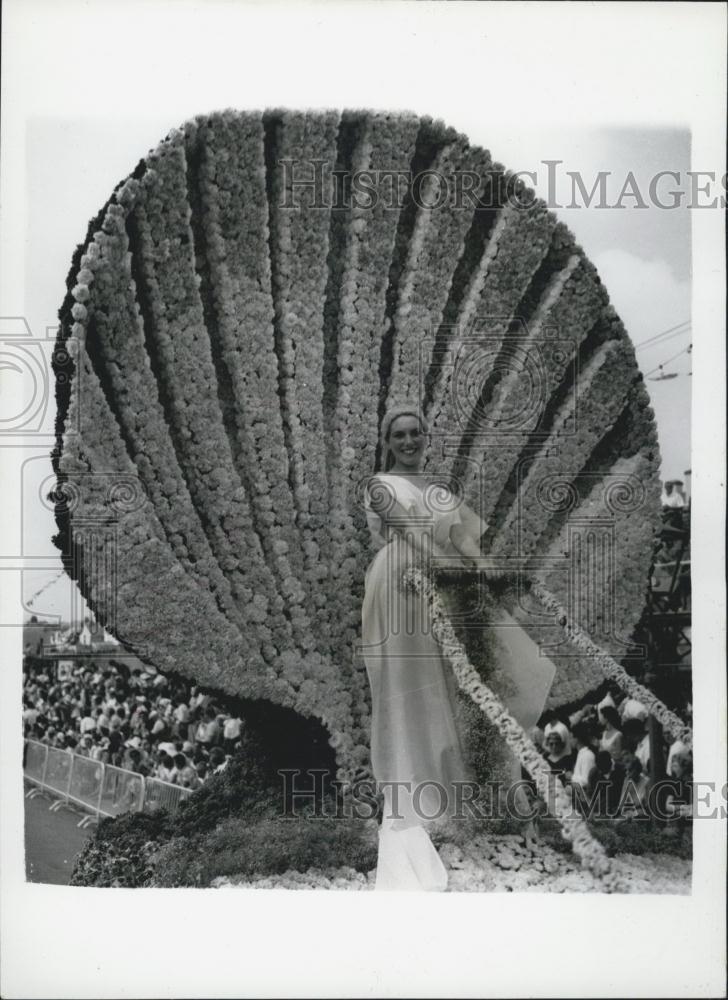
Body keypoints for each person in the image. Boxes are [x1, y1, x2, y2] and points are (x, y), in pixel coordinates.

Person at [361, 405, 555, 890]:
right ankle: (407, 804)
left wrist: (485, 569)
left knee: (445, 684)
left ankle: (437, 801)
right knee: (407, 686)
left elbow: (459, 540)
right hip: (402, 582)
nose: (409, 441)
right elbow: (409, 535)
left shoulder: (440, 488)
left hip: (441, 585)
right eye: (400, 435)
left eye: (416, 433)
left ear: (426, 436)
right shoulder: (380, 484)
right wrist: (446, 567)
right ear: (389, 441)